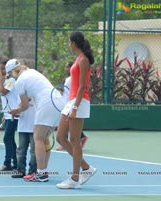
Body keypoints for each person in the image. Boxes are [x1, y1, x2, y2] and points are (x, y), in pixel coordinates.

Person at [8, 59, 64, 182]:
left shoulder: (20, 82)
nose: (11, 76)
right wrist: (18, 109)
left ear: (13, 71)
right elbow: (27, 100)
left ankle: (40, 173)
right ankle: (43, 171)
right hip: (59, 102)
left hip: (47, 104)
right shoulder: (32, 72)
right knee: (44, 139)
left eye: (10, 74)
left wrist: (15, 111)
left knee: (38, 138)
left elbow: (25, 106)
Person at [56, 31, 97, 189]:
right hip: (71, 101)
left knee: (74, 140)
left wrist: (74, 107)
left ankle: (75, 178)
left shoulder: (84, 60)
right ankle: (86, 167)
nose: (68, 44)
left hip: (78, 103)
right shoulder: (78, 59)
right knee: (60, 137)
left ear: (74, 43)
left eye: (69, 42)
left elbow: (82, 87)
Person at [0, 59, 19, 173]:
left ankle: (7, 164)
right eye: (0, 69)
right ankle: (15, 163)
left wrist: (0, 79)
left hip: (14, 115)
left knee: (7, 138)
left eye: (3, 69)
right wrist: (5, 114)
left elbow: (3, 92)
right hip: (9, 114)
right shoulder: (9, 80)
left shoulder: (11, 80)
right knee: (10, 139)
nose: (1, 71)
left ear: (8, 70)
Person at [56, 61, 88, 151]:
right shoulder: (67, 79)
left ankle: (66, 142)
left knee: (69, 124)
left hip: (70, 104)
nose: (66, 69)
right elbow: (64, 91)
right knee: (67, 124)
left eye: (67, 67)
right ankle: (81, 137)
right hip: (65, 104)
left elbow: (76, 91)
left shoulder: (73, 79)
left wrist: (73, 106)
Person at [11, 97, 37, 178]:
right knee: (21, 150)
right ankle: (20, 170)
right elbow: (18, 112)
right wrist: (15, 114)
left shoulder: (36, 94)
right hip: (22, 127)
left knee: (34, 151)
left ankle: (32, 171)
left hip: (35, 127)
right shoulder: (20, 95)